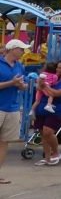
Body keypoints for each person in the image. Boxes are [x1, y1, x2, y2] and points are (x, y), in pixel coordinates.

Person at [34, 59, 61, 166]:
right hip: (43, 108)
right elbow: (40, 89)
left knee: (48, 132)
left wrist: (45, 86)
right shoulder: (54, 77)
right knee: (42, 132)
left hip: (58, 110)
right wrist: (40, 85)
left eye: (60, 68)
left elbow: (56, 93)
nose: (57, 69)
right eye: (57, 67)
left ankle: (56, 152)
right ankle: (47, 156)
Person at [0, 39, 29, 184]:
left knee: (4, 141)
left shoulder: (20, 66)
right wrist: (11, 82)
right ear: (13, 49)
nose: (23, 52)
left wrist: (22, 85)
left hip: (12, 107)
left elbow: (22, 86)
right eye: (21, 49)